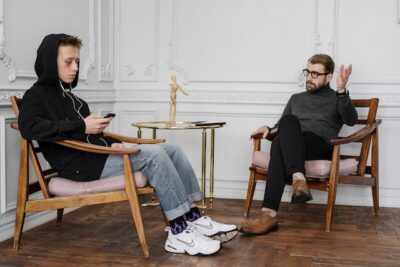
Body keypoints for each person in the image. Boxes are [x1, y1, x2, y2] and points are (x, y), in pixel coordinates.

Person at [18, 33, 238, 255]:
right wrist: (82, 126)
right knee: (154, 155)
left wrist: (111, 142)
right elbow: (28, 128)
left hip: (97, 156)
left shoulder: (75, 99)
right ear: (49, 61)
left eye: (77, 61)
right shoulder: (35, 96)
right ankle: (178, 232)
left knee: (173, 149)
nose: (75, 67)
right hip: (80, 168)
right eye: (68, 61)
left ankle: (193, 217)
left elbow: (91, 136)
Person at [240, 54, 358, 236]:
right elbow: (282, 127)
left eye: (315, 74)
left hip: (320, 147)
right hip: (293, 147)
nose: (309, 77)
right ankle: (295, 183)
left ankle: (269, 213)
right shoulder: (296, 99)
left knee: (283, 135)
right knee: (284, 127)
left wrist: (341, 91)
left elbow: (351, 120)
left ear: (329, 77)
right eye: (308, 72)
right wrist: (268, 128)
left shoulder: (337, 99)